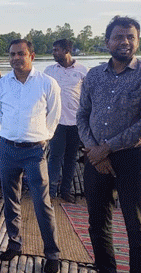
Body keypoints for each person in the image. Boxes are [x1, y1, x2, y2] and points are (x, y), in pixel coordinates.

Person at [76, 16, 141, 273]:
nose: (125, 42)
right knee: (97, 223)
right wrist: (95, 150)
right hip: (96, 159)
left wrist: (107, 148)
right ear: (107, 42)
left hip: (133, 157)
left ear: (138, 42)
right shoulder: (93, 75)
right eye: (118, 37)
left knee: (136, 226)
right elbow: (82, 115)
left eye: (130, 37)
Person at [0, 39, 61, 273]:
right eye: (12, 54)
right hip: (8, 148)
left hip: (35, 150)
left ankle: (52, 254)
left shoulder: (47, 83)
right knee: (10, 199)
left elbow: (54, 114)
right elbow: (0, 114)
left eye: (21, 54)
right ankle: (15, 243)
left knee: (42, 203)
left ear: (32, 55)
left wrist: (43, 136)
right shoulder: (1, 85)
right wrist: (13, 134)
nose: (15, 58)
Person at [44, 39, 88, 203]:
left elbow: (88, 97)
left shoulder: (83, 71)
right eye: (53, 50)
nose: (54, 53)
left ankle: (66, 190)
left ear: (66, 50)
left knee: (70, 158)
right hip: (57, 122)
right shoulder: (49, 71)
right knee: (55, 156)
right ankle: (51, 191)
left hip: (76, 122)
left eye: (57, 50)